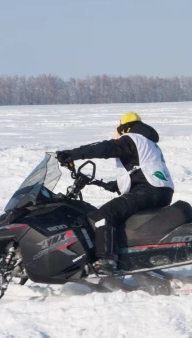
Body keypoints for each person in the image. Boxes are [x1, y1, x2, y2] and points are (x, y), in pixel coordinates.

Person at [56, 112, 174, 275]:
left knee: (104, 214)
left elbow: (105, 148)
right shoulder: (148, 143)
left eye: (118, 129)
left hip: (148, 190)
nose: (116, 133)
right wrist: (111, 185)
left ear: (125, 127)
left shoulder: (133, 138)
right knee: (122, 218)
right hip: (160, 190)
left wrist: (73, 154)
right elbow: (140, 169)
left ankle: (106, 261)